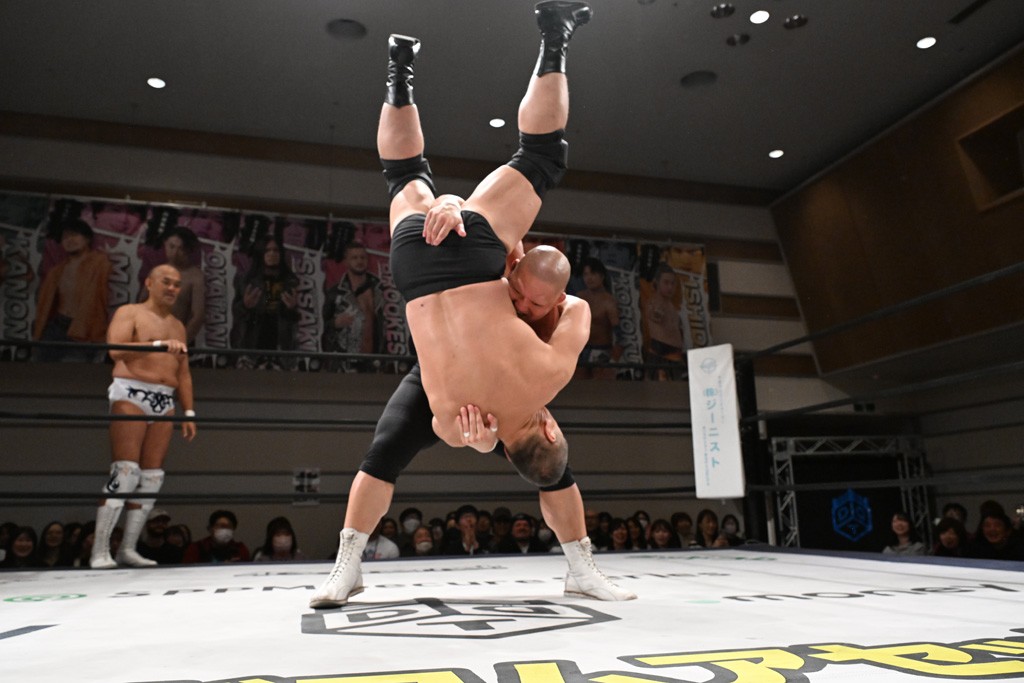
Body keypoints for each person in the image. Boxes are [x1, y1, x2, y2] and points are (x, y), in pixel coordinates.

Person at [311, 2, 634, 609]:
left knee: (542, 156)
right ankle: (397, 69)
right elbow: (447, 424)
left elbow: (572, 305)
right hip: (414, 273)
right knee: (401, 174)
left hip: (469, 266)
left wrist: (499, 248)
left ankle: (552, 36)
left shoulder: (553, 368)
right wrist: (472, 441)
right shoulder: (458, 421)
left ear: (549, 424)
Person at [90, 264, 197, 569]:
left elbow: (184, 372)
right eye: (166, 282)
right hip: (132, 392)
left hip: (165, 399)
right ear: (149, 283)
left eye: (177, 284)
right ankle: (99, 550)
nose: (172, 288)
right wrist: (158, 345)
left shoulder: (178, 326)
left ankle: (128, 548)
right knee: (126, 471)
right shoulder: (130, 312)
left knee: (152, 477)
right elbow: (115, 350)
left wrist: (189, 411)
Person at [33, 218, 112, 362]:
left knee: (74, 371)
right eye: (65, 237)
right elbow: (44, 304)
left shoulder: (101, 263)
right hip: (56, 327)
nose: (69, 240)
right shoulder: (57, 271)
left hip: (85, 331)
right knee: (41, 368)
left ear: (87, 239)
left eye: (74, 235)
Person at [231, 235, 299, 369]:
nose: (272, 254)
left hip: (282, 348)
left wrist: (291, 310)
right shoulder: (247, 281)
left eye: (276, 250)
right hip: (252, 345)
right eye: (267, 250)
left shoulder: (290, 282)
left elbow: (298, 321)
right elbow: (235, 314)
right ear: (260, 253)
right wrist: (245, 306)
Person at [322, 241, 382, 372]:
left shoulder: (379, 290)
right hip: (342, 362)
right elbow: (322, 326)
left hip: (374, 362)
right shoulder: (335, 293)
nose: (359, 261)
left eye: (362, 257)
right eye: (354, 258)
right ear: (345, 262)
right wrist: (335, 323)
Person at [147, 227, 206, 345]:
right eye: (171, 246)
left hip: (175, 337)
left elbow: (197, 316)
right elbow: (141, 302)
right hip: (148, 334)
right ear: (165, 244)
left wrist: (181, 342)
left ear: (189, 250)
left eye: (181, 249)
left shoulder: (196, 277)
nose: (175, 253)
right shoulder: (157, 271)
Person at [575, 258, 620, 379]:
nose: (589, 278)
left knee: (599, 387)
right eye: (586, 274)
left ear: (602, 276)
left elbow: (619, 334)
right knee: (578, 386)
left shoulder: (609, 301)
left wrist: (614, 361)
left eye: (593, 274)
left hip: (601, 350)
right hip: (581, 349)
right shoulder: (579, 297)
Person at [644, 263, 685, 380]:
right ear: (657, 283)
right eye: (666, 283)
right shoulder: (654, 302)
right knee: (659, 388)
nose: (670, 287)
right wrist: (657, 311)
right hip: (660, 353)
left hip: (675, 355)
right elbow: (655, 315)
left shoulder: (671, 305)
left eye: (672, 283)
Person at [183, 510, 250, 563]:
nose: (224, 530)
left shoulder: (240, 549)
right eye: (221, 526)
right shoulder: (196, 548)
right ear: (210, 529)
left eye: (228, 527)